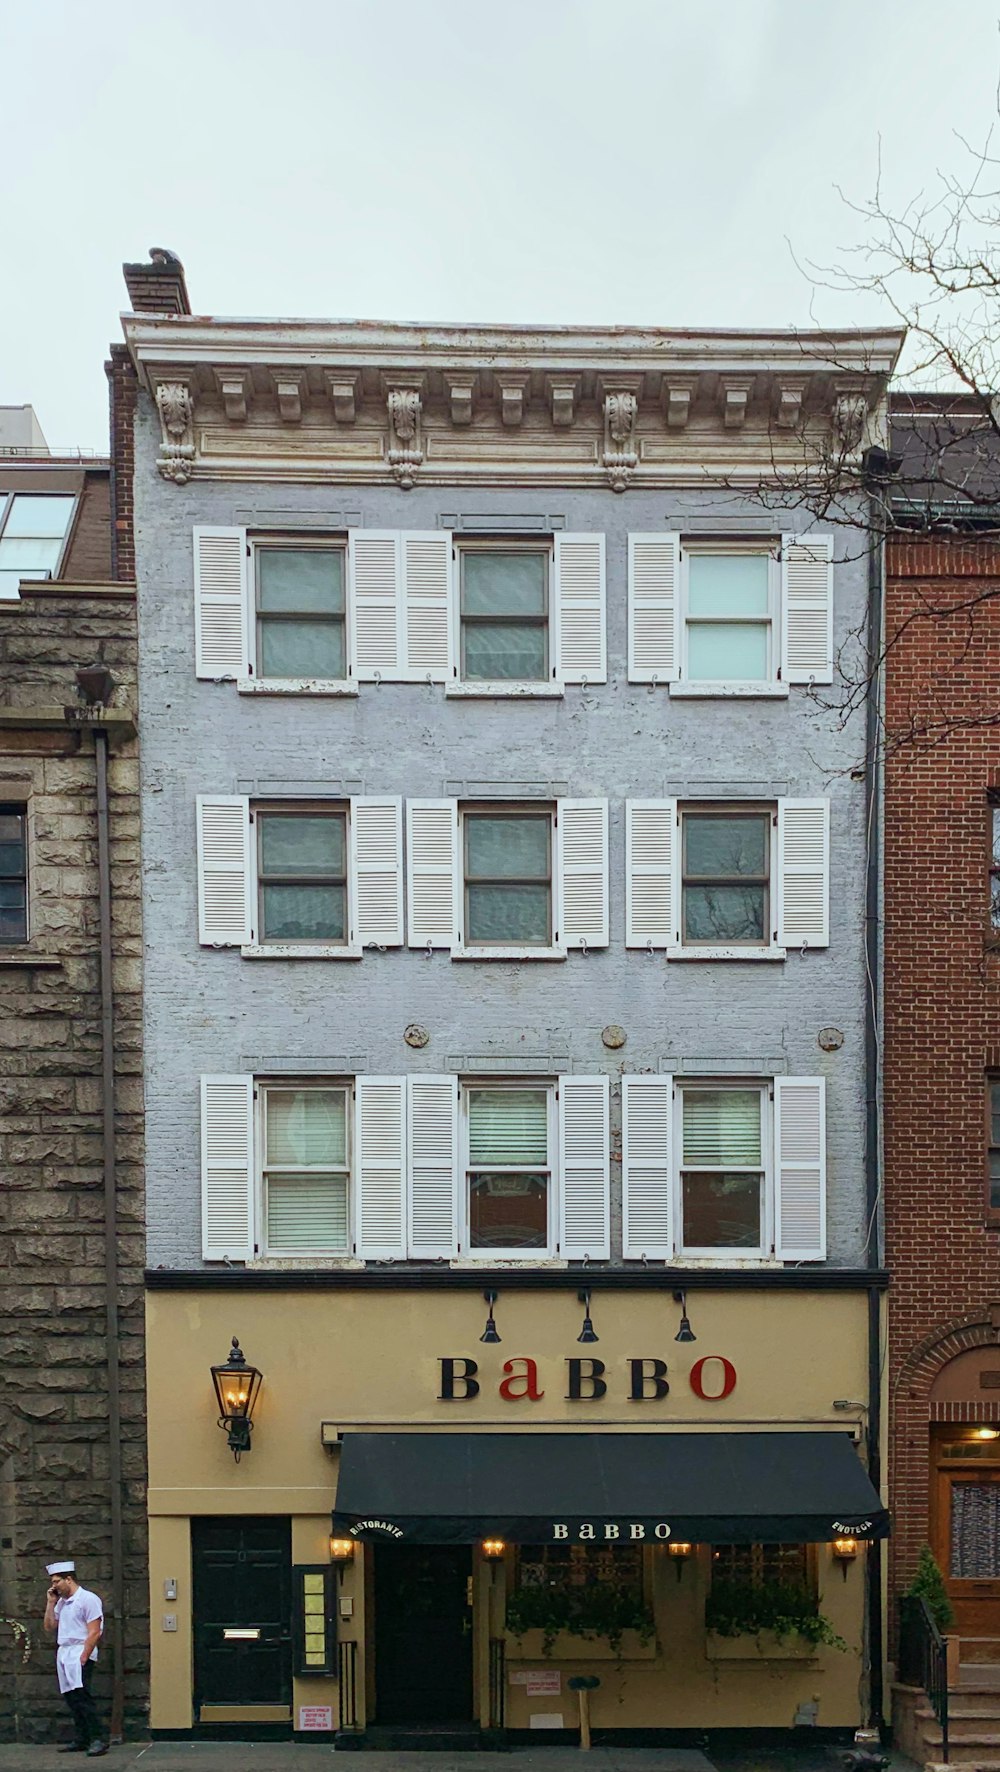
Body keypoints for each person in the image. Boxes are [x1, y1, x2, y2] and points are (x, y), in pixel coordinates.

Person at [43, 1559, 108, 1757]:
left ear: (68, 1579)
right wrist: (50, 1602)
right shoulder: (62, 1602)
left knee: (83, 1696)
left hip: (79, 1649)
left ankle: (98, 1738)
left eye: (56, 1582)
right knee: (71, 1697)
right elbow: (49, 1626)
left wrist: (84, 1656)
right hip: (65, 1651)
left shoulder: (88, 1599)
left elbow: (94, 1631)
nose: (54, 1586)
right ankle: (82, 1738)